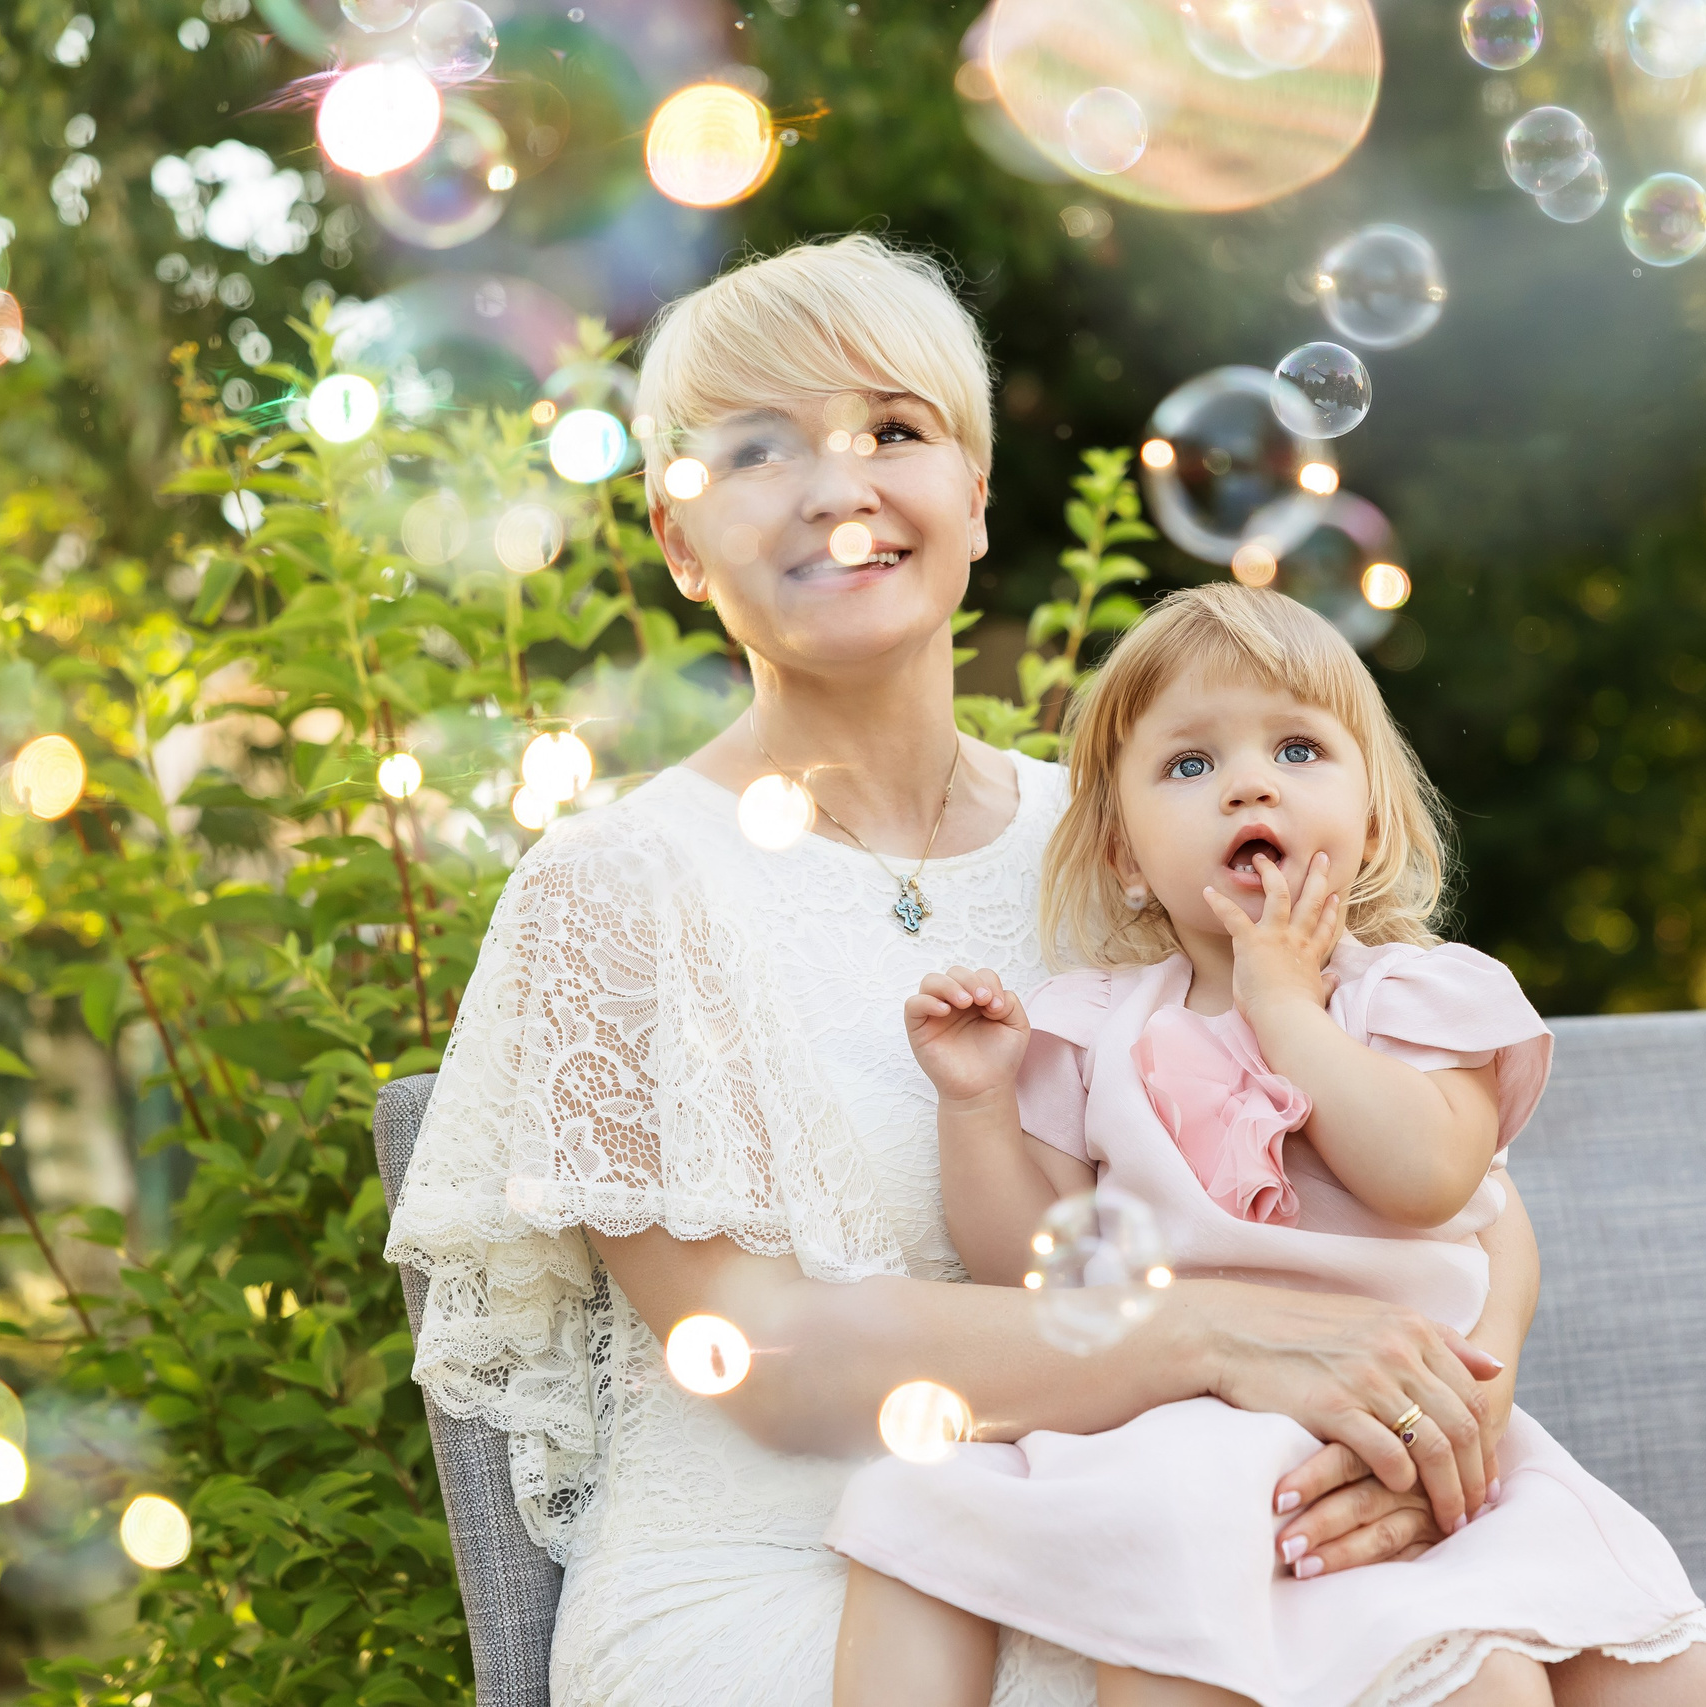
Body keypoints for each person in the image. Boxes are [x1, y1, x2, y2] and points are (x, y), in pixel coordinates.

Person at [384, 236, 1526, 1707]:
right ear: (678, 542)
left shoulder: (1132, 837)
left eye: (895, 431)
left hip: (1158, 1510)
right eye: (752, 450)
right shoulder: (613, 887)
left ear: (974, 499)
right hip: (785, 1577)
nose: (836, 487)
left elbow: (1470, 1192)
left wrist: (1432, 1426)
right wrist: (1224, 1340)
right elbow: (770, 1353)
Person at [827, 587, 1706, 1707]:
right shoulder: (1093, 1027)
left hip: (1407, 1427)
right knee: (1425, 1682)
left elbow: (1427, 1179)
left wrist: (1287, 1009)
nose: (1248, 782)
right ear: (1126, 855)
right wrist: (976, 1105)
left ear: (1370, 822)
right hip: (1183, 1435)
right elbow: (1029, 1268)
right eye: (1188, 765)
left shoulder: (1421, 999)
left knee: (1695, 1690)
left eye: (1297, 747)